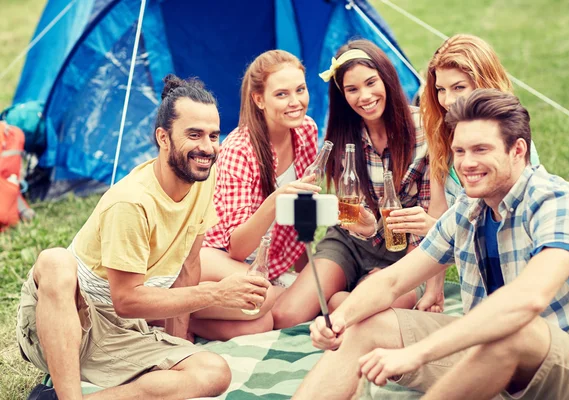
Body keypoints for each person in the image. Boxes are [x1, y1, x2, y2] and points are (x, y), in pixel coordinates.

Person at [295, 89, 569, 400]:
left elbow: (527, 300)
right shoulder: (468, 211)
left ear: (518, 150)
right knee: (368, 323)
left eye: (481, 149)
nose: (467, 163)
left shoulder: (558, 202)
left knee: (512, 331)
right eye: (460, 151)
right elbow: (393, 280)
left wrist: (419, 353)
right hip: (489, 358)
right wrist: (340, 320)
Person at [17, 74, 272, 400]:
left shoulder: (204, 179)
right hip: (67, 321)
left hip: (121, 334)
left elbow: (188, 268)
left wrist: (178, 345)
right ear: (163, 138)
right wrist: (216, 293)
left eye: (213, 135)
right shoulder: (132, 202)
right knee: (55, 260)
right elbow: (127, 301)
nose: (207, 148)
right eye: (194, 135)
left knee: (213, 372)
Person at [273, 39, 445, 330]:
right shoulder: (344, 135)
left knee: (370, 309)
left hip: (406, 249)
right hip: (351, 242)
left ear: (387, 79)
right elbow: (347, 207)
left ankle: (344, 298)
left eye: (370, 83)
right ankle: (346, 295)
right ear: (342, 94)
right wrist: (361, 224)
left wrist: (432, 287)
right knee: (287, 316)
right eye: (352, 89)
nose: (364, 96)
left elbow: (432, 214)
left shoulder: (424, 129)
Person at [198, 50, 320, 336]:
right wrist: (276, 200)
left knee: (264, 321)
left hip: (268, 260)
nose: (295, 102)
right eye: (281, 94)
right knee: (266, 298)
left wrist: (306, 269)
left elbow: (304, 210)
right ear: (259, 99)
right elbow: (237, 248)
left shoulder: (306, 131)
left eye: (300, 90)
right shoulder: (239, 149)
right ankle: (179, 303)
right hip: (217, 255)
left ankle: (193, 317)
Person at [412, 34, 541, 225]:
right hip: (453, 249)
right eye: (441, 89)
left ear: (483, 84)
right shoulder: (439, 132)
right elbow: (438, 210)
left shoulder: (511, 140)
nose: (448, 100)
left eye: (458, 87)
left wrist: (438, 230)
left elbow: (515, 222)